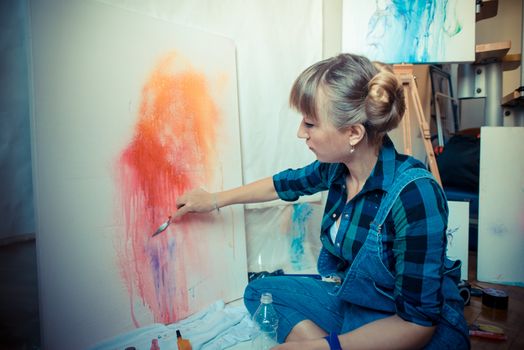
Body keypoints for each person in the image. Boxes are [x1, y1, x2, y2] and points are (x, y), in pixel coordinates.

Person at [172, 53, 470, 349]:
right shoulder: (336, 169)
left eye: (310, 124)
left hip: (408, 327)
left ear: (353, 133)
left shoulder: (415, 193)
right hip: (359, 303)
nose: (301, 133)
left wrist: (322, 347)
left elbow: (418, 323)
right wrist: (212, 200)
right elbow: (282, 184)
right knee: (260, 293)